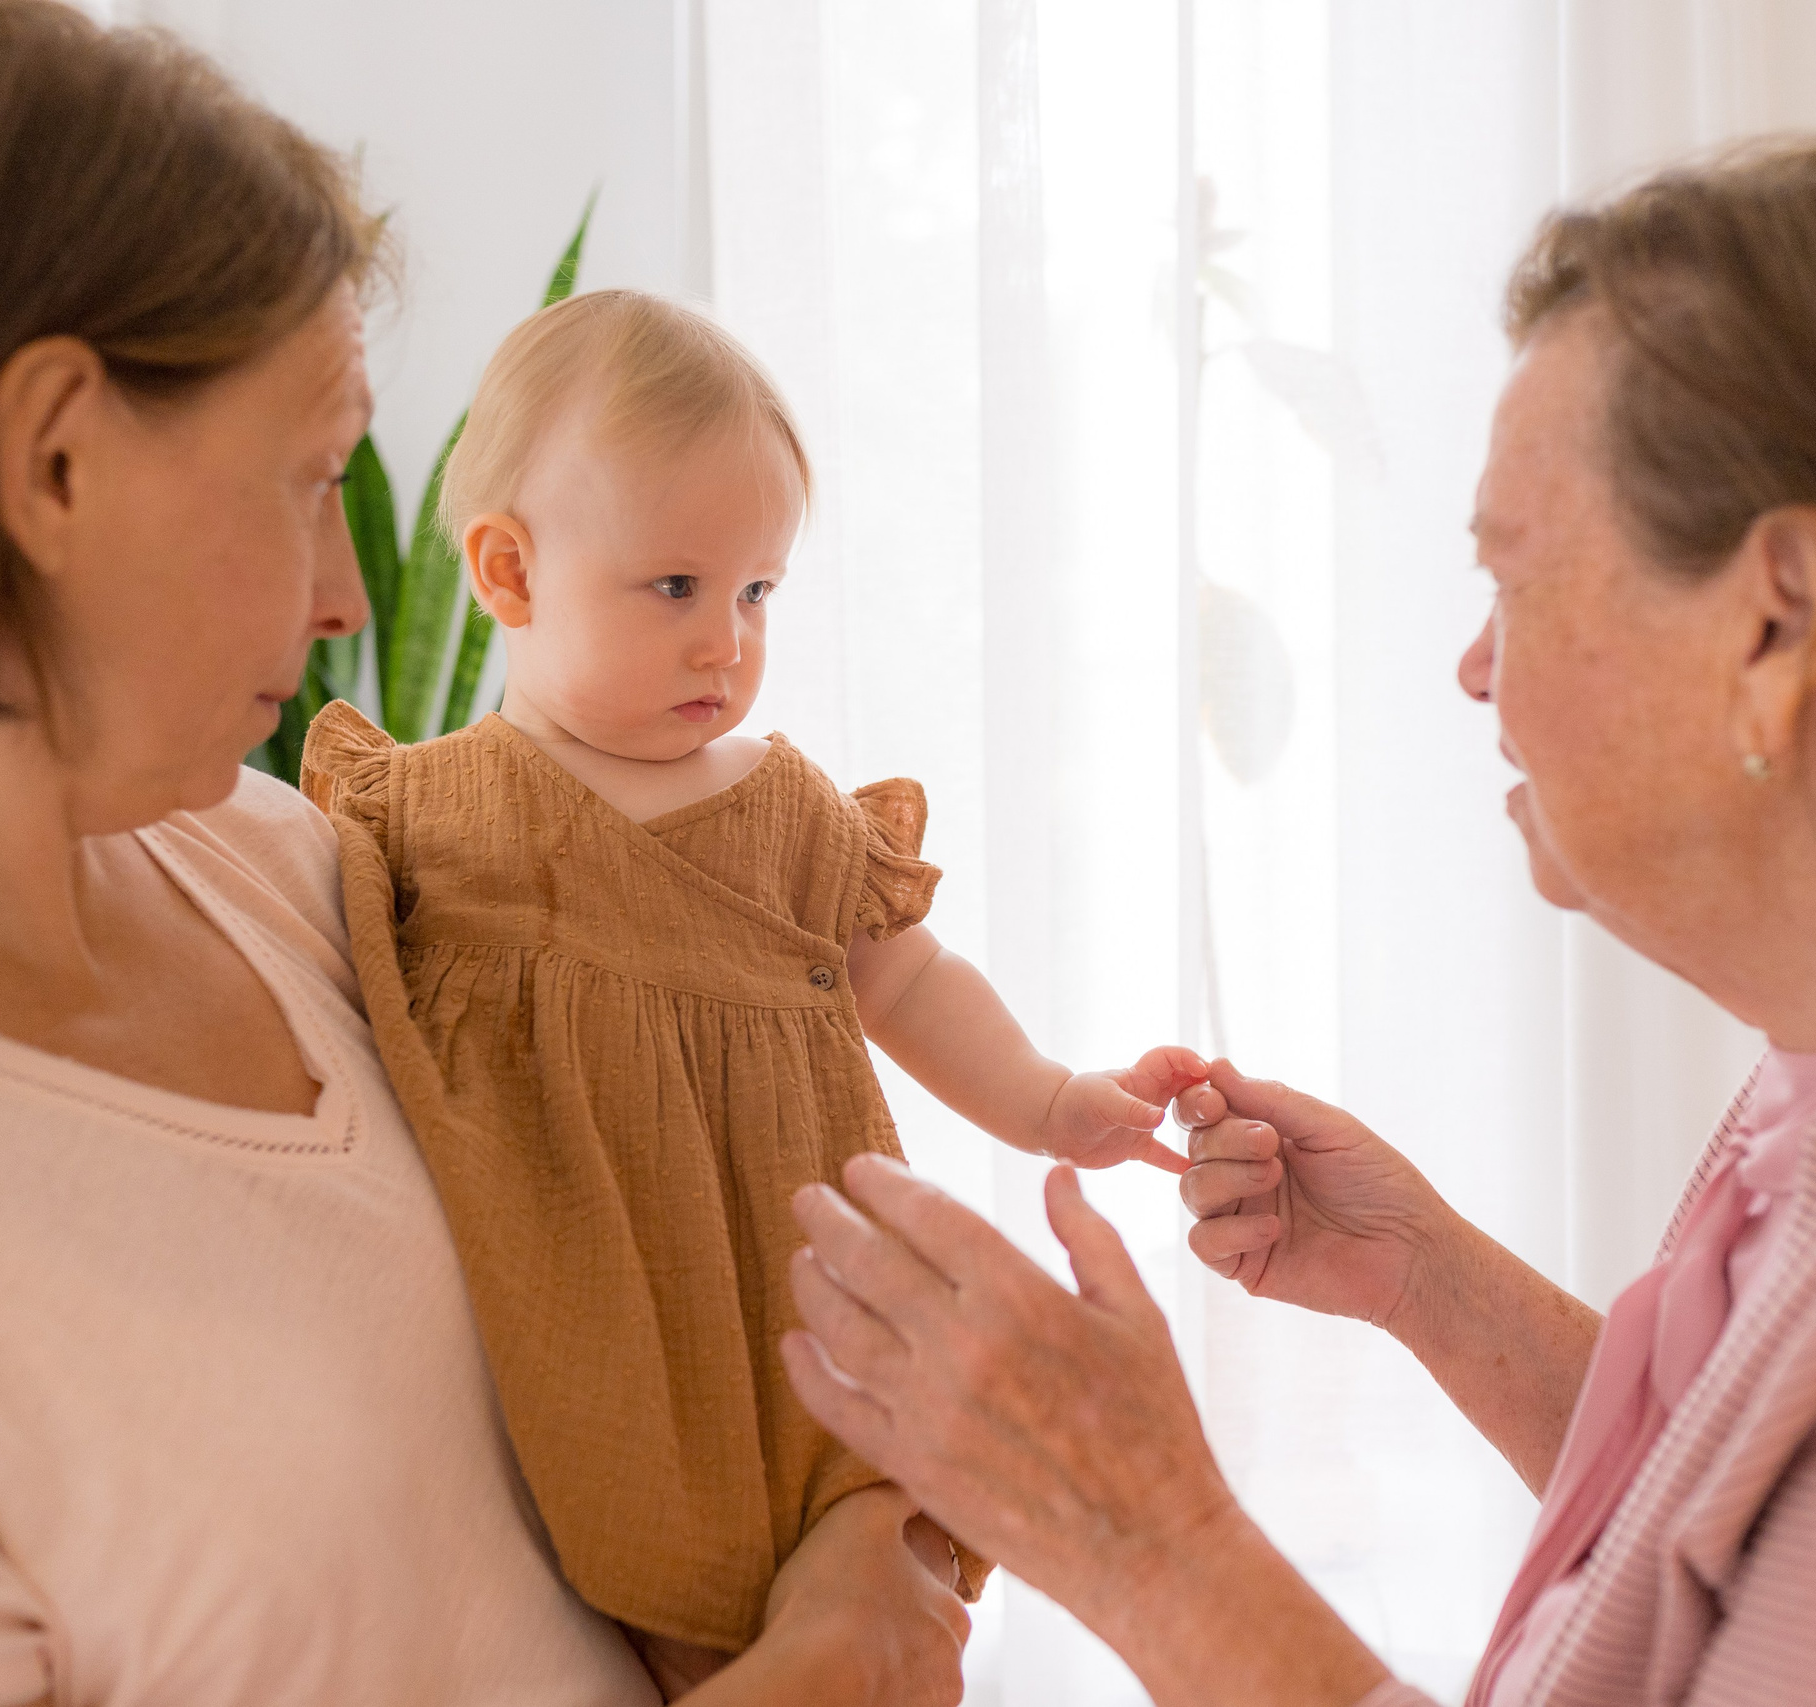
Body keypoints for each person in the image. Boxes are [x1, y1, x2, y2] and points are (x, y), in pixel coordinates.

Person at [776, 137, 1816, 1705]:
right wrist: (1431, 1281)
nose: (1476, 667)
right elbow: (1771, 1550)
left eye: (1516, 579)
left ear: (1778, 618)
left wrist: (1146, 1546)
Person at [0, 6, 963, 1705]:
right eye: (306, 480)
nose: (352, 597)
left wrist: (860, 1536)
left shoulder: (297, 869)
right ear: (53, 458)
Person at [299, 286, 1204, 1696]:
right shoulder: (433, 814)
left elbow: (906, 977)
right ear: (509, 574)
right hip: (603, 1311)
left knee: (887, 1557)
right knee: (640, 1586)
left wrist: (1047, 1101)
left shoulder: (788, 809)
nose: (727, 639)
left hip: (806, 1289)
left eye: (757, 591)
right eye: (676, 588)